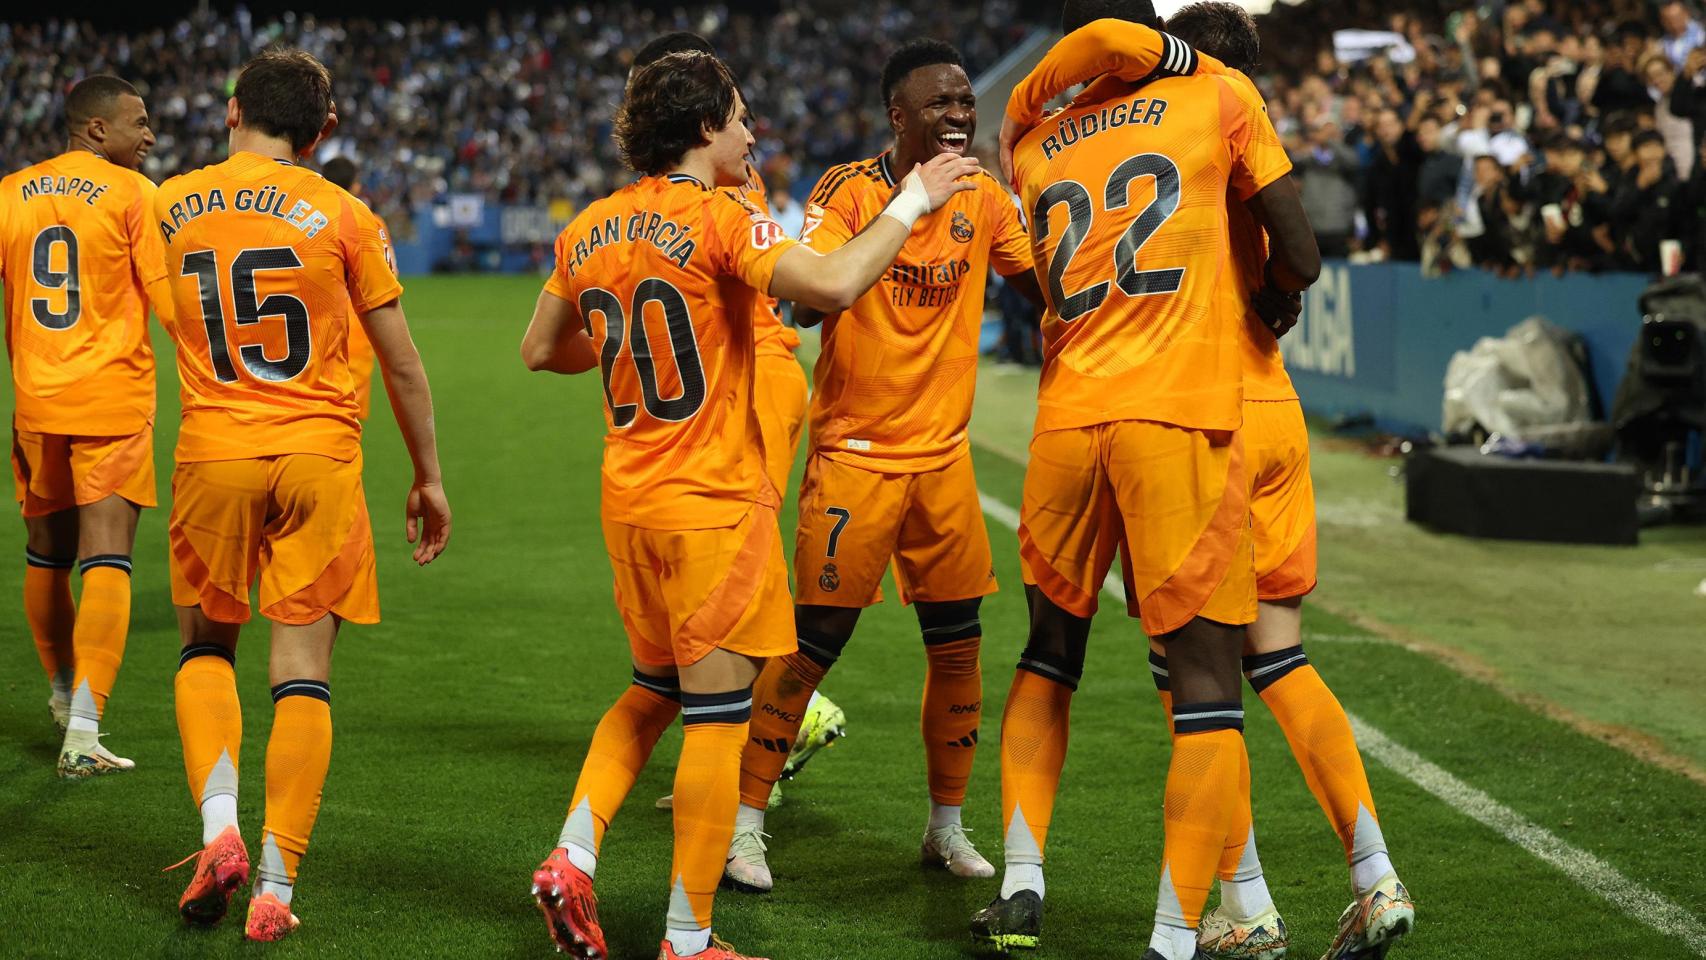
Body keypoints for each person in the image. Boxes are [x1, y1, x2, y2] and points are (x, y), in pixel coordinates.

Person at [520, 49, 979, 960]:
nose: (752, 131)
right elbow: (838, 285)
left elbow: (542, 348)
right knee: (714, 725)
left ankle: (573, 856)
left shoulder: (590, 228)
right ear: (702, 128)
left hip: (629, 501)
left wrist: (628, 349)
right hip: (713, 506)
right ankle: (690, 939)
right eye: (738, 117)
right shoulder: (723, 218)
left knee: (651, 691)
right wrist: (914, 199)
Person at [980, 5, 1320, 959]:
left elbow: (1083, 57)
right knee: (1208, 686)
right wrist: (1274, 301)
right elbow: (1301, 254)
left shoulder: (1030, 132)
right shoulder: (1218, 95)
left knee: (1049, 652)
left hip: (1065, 416)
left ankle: (1021, 879)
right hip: (1178, 412)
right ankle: (1179, 937)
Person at [721, 36, 1045, 896]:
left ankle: (945, 828)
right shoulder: (849, 190)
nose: (958, 117)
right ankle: (743, 823)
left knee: (960, 649)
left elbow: (1041, 284)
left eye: (966, 103)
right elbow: (809, 287)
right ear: (897, 116)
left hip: (943, 462)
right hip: (857, 458)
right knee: (814, 647)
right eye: (939, 103)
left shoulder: (984, 195)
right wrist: (908, 203)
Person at [156, 49, 451, 942]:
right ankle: (276, 886)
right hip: (319, 459)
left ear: (233, 108)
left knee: (207, 650)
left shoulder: (169, 203)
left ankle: (218, 834)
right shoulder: (346, 212)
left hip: (213, 453)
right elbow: (399, 359)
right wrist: (429, 476)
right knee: (302, 676)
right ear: (322, 132)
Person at [627, 32, 849, 820]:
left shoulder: (713, 190)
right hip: (752, 367)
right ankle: (743, 728)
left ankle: (780, 726)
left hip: (754, 370)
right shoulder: (725, 180)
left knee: (738, 564)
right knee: (734, 567)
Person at [1, 75, 171, 777]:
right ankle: (84, 727)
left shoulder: (10, 192)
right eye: (139, 122)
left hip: (37, 402)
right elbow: (168, 301)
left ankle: (60, 691)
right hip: (111, 401)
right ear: (96, 131)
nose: (151, 134)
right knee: (107, 558)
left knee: (46, 553)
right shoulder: (135, 194)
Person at [319, 155, 384, 420]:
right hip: (356, 336)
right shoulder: (371, 222)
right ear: (355, 186)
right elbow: (385, 283)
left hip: (312, 336)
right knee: (347, 425)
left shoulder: (302, 218)